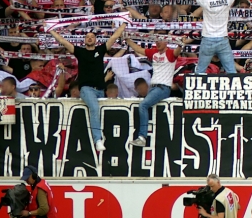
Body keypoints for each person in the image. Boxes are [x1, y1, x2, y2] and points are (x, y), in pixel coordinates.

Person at [49, 23, 127, 152]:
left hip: (100, 90)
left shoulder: (100, 50)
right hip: (86, 89)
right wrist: (50, 30)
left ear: (96, 40)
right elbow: (63, 41)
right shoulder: (79, 52)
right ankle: (98, 140)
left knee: (102, 113)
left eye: (92, 36)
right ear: (84, 40)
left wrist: (124, 24)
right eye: (87, 37)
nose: (90, 38)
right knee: (95, 108)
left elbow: (114, 37)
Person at [171, 0, 252, 74]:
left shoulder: (205, 0)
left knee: (200, 72)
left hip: (208, 39)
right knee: (231, 71)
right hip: (222, 40)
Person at [127, 38, 183, 147]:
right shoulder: (154, 52)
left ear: (166, 42)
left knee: (143, 105)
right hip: (153, 88)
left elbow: (177, 52)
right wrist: (127, 40)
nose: (157, 42)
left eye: (160, 40)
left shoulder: (170, 53)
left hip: (163, 88)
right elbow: (138, 49)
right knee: (149, 108)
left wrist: (180, 45)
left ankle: (142, 137)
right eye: (156, 40)